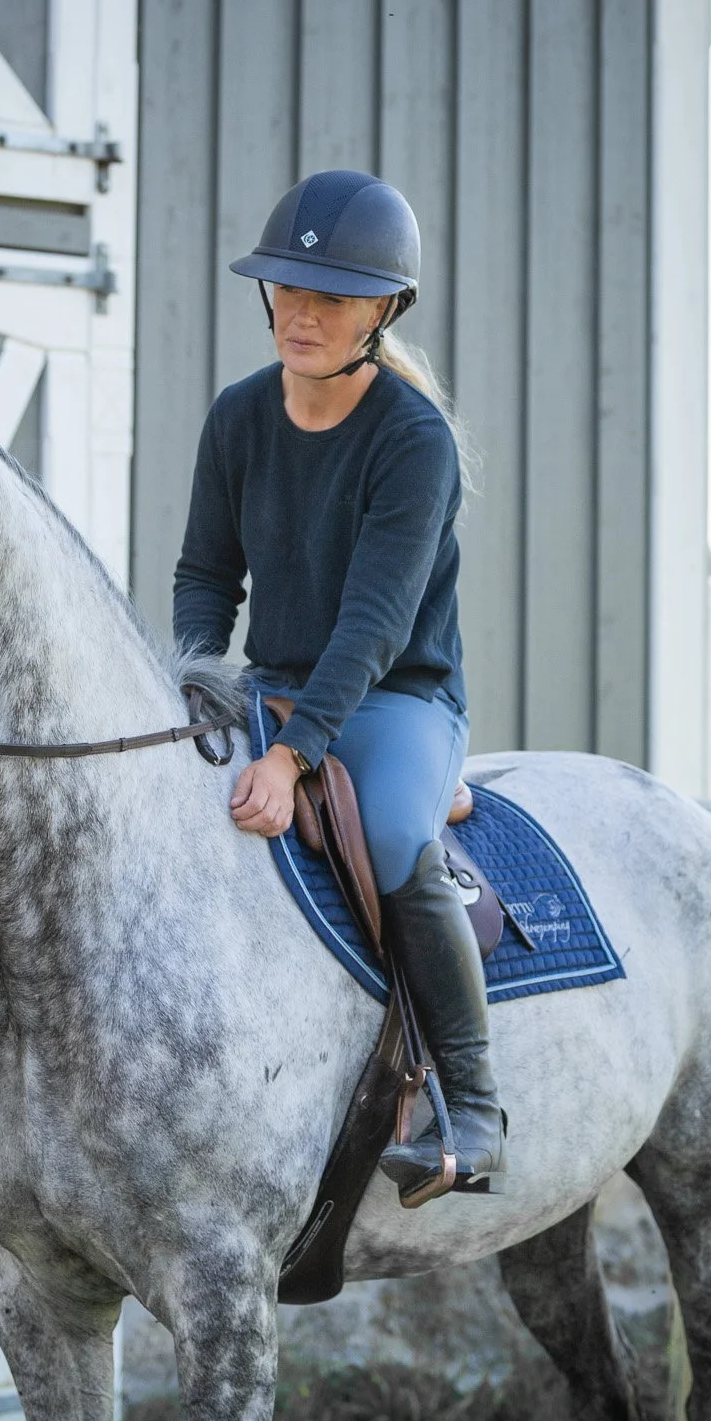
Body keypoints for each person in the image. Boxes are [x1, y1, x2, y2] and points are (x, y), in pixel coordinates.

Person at [173, 169, 505, 1200]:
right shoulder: (237, 418)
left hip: (393, 695)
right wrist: (195, 676)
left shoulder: (414, 440)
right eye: (286, 286)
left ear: (383, 310)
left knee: (400, 833)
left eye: (332, 295)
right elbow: (204, 575)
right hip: (271, 685)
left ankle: (477, 1107)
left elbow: (374, 625)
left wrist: (289, 752)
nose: (300, 312)